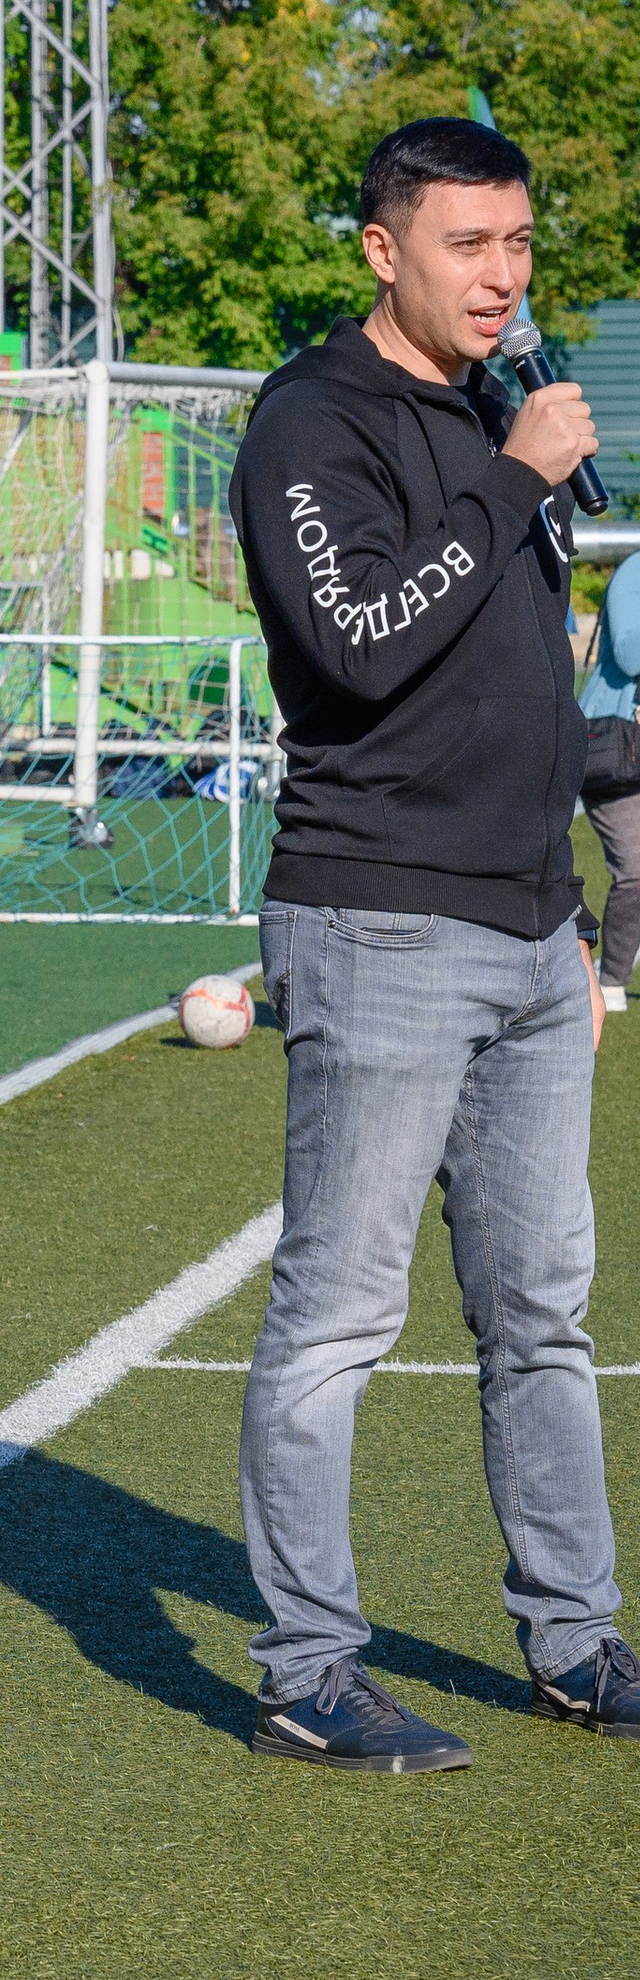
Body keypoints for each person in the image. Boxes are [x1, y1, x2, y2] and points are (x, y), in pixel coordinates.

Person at [228, 114, 637, 1770]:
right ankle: (308, 1673)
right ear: (384, 249)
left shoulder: (494, 410)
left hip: (536, 930)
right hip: (382, 919)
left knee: (543, 1304)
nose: (505, 274)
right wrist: (516, 476)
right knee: (338, 1313)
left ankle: (576, 1640)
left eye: (519, 243)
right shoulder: (311, 425)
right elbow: (359, 643)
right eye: (470, 244)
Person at [579, 548, 640, 1013]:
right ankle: (612, 975)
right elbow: (628, 650)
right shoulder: (635, 569)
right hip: (611, 743)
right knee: (636, 866)